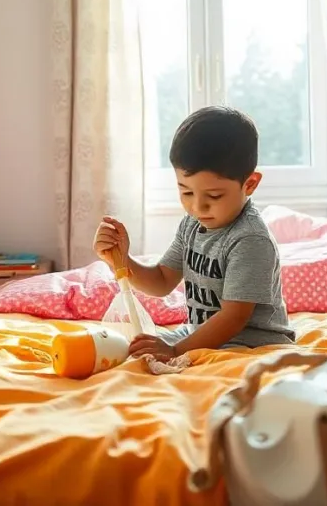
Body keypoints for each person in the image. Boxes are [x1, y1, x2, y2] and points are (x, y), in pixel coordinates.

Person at [93, 106, 294, 361]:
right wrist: (120, 261)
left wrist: (176, 351)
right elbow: (161, 281)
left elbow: (233, 317)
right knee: (133, 351)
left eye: (214, 196)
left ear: (250, 184)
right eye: (186, 192)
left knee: (162, 359)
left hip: (251, 345)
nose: (197, 207)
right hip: (199, 336)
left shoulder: (250, 240)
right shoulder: (192, 225)